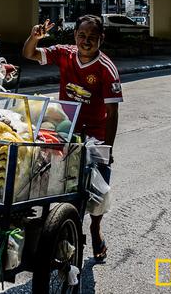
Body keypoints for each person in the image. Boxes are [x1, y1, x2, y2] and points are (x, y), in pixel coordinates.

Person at [22, 15, 123, 262]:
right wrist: (34, 37)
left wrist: (107, 149)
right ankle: (63, 228)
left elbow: (112, 114)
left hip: (96, 136)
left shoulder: (106, 69)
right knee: (58, 182)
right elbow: (29, 54)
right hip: (65, 131)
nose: (85, 41)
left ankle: (95, 228)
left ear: (101, 38)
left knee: (98, 193)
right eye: (81, 35)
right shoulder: (65, 54)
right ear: (75, 35)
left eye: (91, 37)